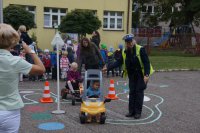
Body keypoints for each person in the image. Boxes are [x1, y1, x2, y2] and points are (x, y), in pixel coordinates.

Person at [0, 23, 45, 132]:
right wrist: (30, 51)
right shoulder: (15, 61)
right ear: (12, 41)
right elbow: (41, 69)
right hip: (9, 110)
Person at [122, 34, 154, 119]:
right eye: (128, 42)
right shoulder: (125, 51)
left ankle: (138, 112)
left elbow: (146, 62)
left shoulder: (140, 49)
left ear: (133, 41)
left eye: (131, 41)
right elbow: (119, 62)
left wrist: (146, 75)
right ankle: (131, 111)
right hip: (132, 75)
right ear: (126, 43)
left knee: (139, 92)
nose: (130, 43)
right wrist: (107, 67)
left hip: (141, 74)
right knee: (132, 92)